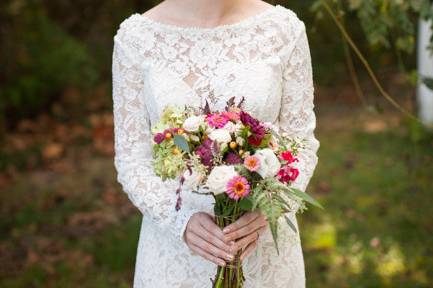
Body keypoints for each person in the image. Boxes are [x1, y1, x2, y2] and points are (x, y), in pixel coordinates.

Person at [111, 0, 320, 287]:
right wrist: (181, 223)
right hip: (174, 252)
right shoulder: (135, 39)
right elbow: (132, 159)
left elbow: (301, 144)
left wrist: (266, 213)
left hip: (260, 245)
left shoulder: (283, 30)